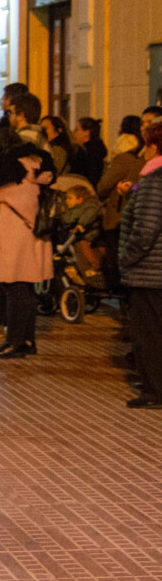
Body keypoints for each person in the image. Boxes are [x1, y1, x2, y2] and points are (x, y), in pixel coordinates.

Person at [0, 142, 55, 358]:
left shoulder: (15, 174)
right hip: (28, 237)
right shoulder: (38, 172)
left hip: (13, 238)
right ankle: (26, 340)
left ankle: (14, 342)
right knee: (23, 289)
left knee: (14, 287)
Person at [118, 121, 162, 409]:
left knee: (149, 333)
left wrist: (126, 259)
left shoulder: (155, 181)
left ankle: (154, 390)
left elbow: (146, 229)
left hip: (150, 272)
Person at [96, 118, 146, 288]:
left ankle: (121, 293)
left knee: (117, 255)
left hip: (119, 214)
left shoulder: (124, 159)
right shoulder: (142, 159)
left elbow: (104, 186)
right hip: (138, 213)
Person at [62, 184, 104, 279]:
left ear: (79, 200)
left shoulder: (89, 206)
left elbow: (89, 215)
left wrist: (80, 224)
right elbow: (69, 219)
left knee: (84, 244)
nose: (67, 201)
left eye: (69, 198)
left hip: (93, 230)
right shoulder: (74, 209)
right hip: (85, 231)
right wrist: (65, 211)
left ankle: (96, 266)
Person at [71, 117, 107, 187]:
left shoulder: (85, 152)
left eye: (77, 130)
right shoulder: (97, 149)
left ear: (87, 133)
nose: (74, 132)